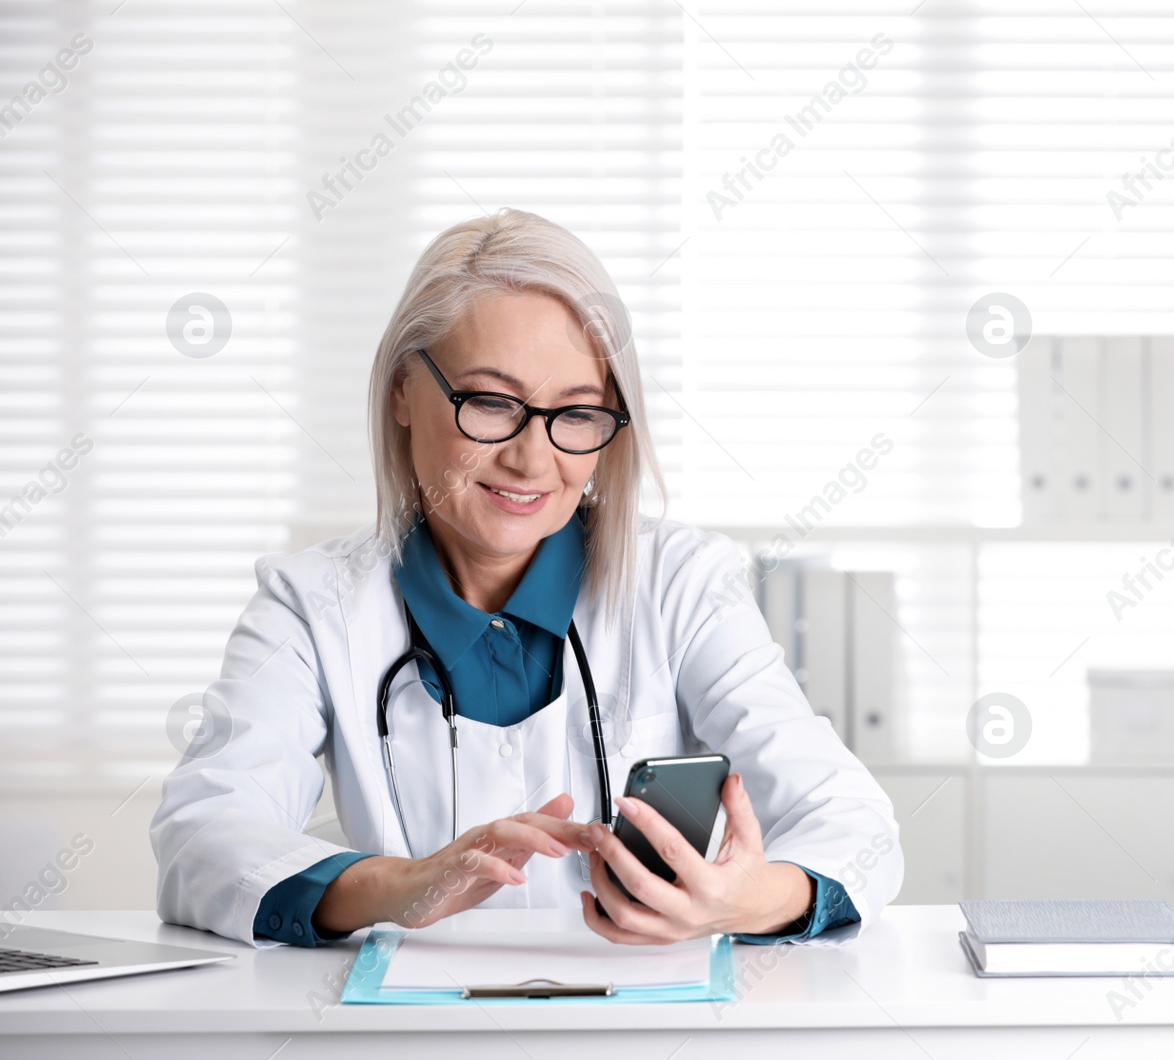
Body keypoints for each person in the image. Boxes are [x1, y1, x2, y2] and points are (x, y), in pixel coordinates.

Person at [150, 209, 902, 948]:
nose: (532, 460)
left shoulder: (680, 581)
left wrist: (739, 901)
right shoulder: (311, 604)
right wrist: (400, 885)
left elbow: (855, 825)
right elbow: (202, 837)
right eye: (491, 403)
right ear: (403, 392)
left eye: (576, 414)